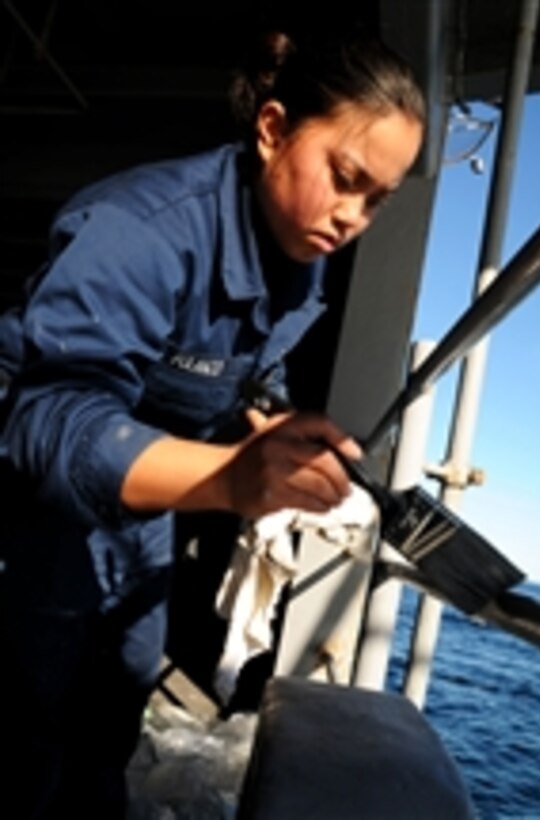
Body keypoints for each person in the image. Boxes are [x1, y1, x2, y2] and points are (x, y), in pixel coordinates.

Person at [0, 26, 425, 819]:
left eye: (377, 200)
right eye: (344, 177)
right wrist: (230, 478)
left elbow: (241, 370)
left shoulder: (302, 264)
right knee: (28, 717)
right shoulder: (141, 230)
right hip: (41, 504)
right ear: (270, 130)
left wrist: (272, 420)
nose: (352, 216)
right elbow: (45, 422)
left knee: (116, 702)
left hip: (151, 503)